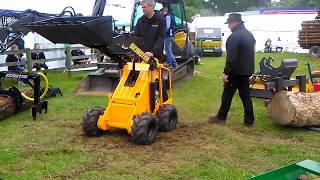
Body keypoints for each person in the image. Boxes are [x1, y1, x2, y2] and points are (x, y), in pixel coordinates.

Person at [208, 13, 256, 127]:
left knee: (227, 95)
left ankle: (221, 118)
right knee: (246, 97)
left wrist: (226, 72)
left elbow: (231, 58)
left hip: (235, 72)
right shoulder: (250, 35)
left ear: (235, 22)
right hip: (246, 72)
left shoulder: (234, 37)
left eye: (229, 23)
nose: (228, 26)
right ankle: (249, 121)